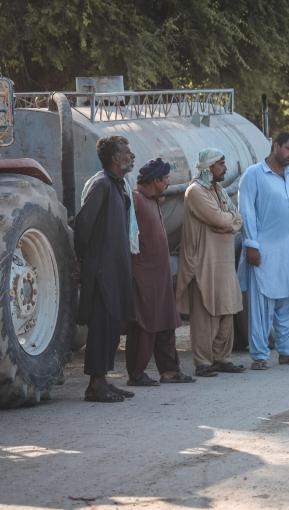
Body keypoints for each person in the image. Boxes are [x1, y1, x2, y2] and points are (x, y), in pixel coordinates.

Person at [238, 132, 289, 370]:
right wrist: (251, 244)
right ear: (276, 146)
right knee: (262, 305)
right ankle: (260, 356)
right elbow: (247, 210)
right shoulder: (254, 174)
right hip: (264, 250)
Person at [74, 136, 136, 403]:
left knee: (112, 326)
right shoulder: (101, 185)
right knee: (100, 326)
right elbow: (83, 226)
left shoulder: (119, 186)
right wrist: (89, 264)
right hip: (101, 271)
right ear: (113, 158)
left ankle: (104, 381)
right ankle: (95, 386)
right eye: (125, 151)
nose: (131, 155)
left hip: (116, 268)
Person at [176, 149, 245, 377]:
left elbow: (237, 217)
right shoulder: (195, 191)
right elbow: (218, 218)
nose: (224, 168)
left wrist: (230, 222)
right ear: (209, 166)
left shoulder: (218, 190)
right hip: (204, 262)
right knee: (205, 313)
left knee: (227, 309)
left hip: (224, 264)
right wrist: (229, 221)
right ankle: (203, 362)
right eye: (221, 163)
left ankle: (222, 358)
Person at [126, 159, 194, 386]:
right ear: (155, 181)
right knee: (145, 325)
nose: (167, 183)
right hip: (143, 276)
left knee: (166, 323)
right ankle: (136, 373)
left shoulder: (153, 201)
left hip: (160, 276)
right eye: (165, 179)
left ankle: (170, 371)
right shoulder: (136, 200)